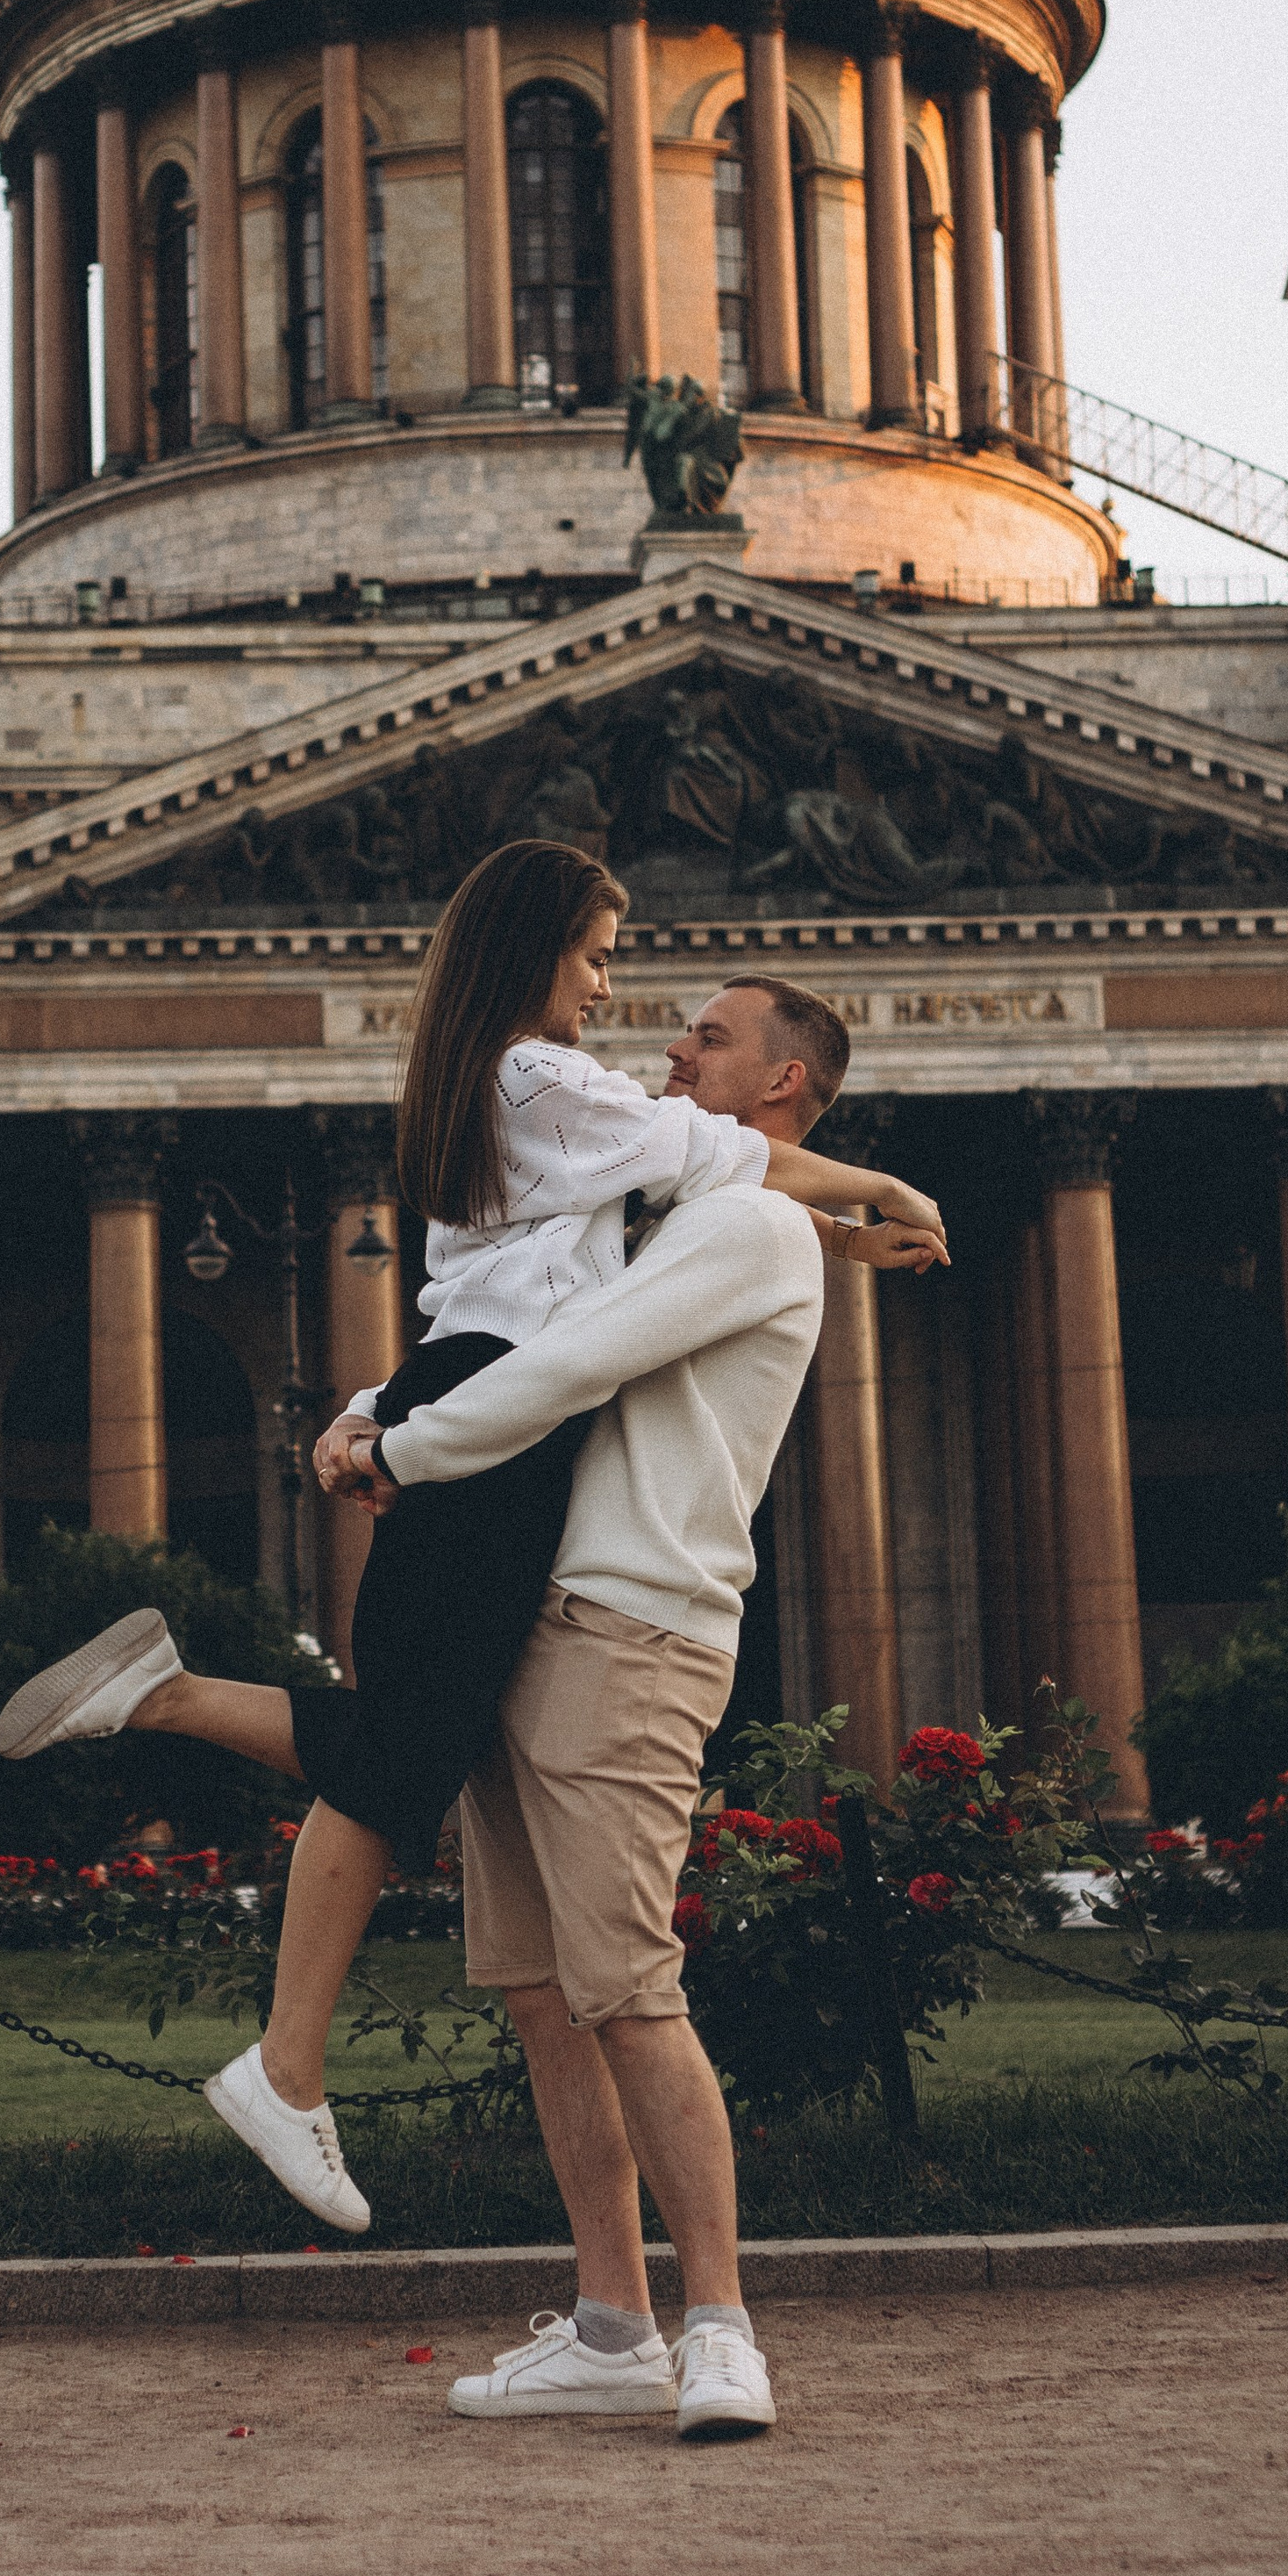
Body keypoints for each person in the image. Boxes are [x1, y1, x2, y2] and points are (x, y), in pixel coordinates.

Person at [0, 845, 943, 2232]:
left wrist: (382, 1408)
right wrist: (883, 1190)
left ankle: (183, 1761)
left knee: (409, 1743)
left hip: (465, 1385)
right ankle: (272, 2030)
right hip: (488, 1414)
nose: (627, 1000)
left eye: (699, 1025)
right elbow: (706, 1175)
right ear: (536, 946)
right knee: (398, 1758)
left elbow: (660, 1239)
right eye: (600, 955)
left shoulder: (517, 1091)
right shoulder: (539, 1077)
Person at [314, 971, 864, 2444]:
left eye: (710, 1036)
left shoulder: (749, 1229)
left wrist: (403, 1455)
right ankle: (615, 2323)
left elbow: (564, 1371)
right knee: (544, 1996)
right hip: (535, 1619)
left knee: (626, 1987)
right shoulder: (651, 1220)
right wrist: (383, 1406)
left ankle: (725, 2328)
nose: (669, 1047)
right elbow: (510, 1332)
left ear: (781, 1089)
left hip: (628, 1623)